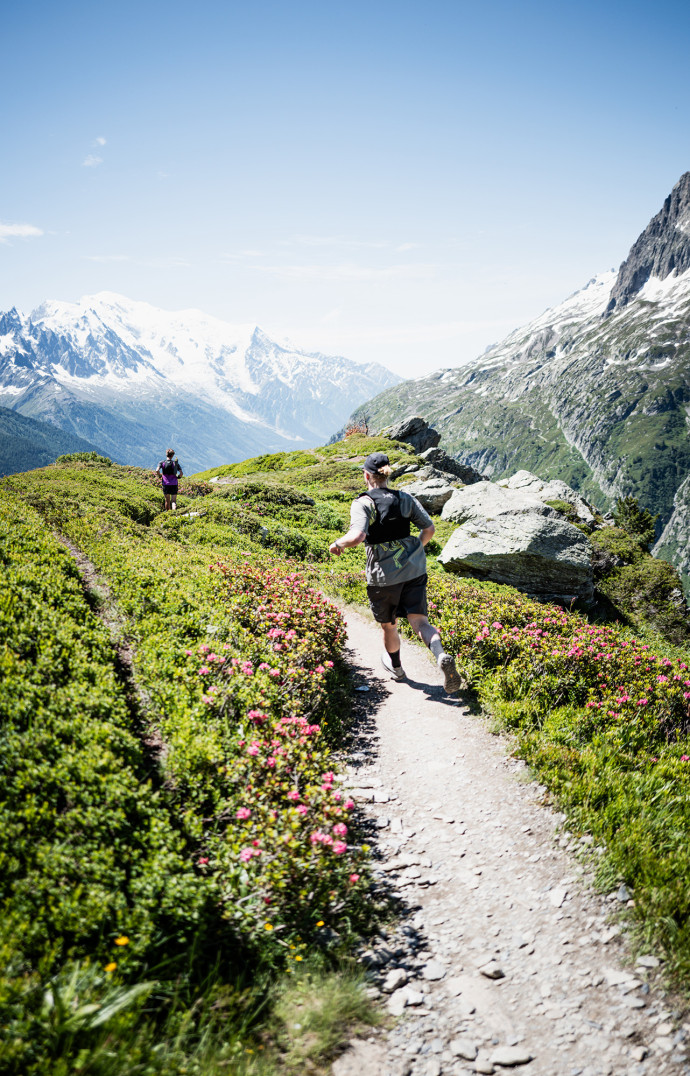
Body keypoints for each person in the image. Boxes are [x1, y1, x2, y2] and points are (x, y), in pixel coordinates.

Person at [328, 451, 463, 693]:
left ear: (367, 475)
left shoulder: (363, 503)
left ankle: (398, 669)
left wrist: (338, 544)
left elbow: (358, 536)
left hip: (384, 578)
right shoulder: (405, 498)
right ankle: (440, 655)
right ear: (388, 474)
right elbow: (429, 529)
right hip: (414, 570)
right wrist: (415, 549)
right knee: (420, 621)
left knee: (389, 626)